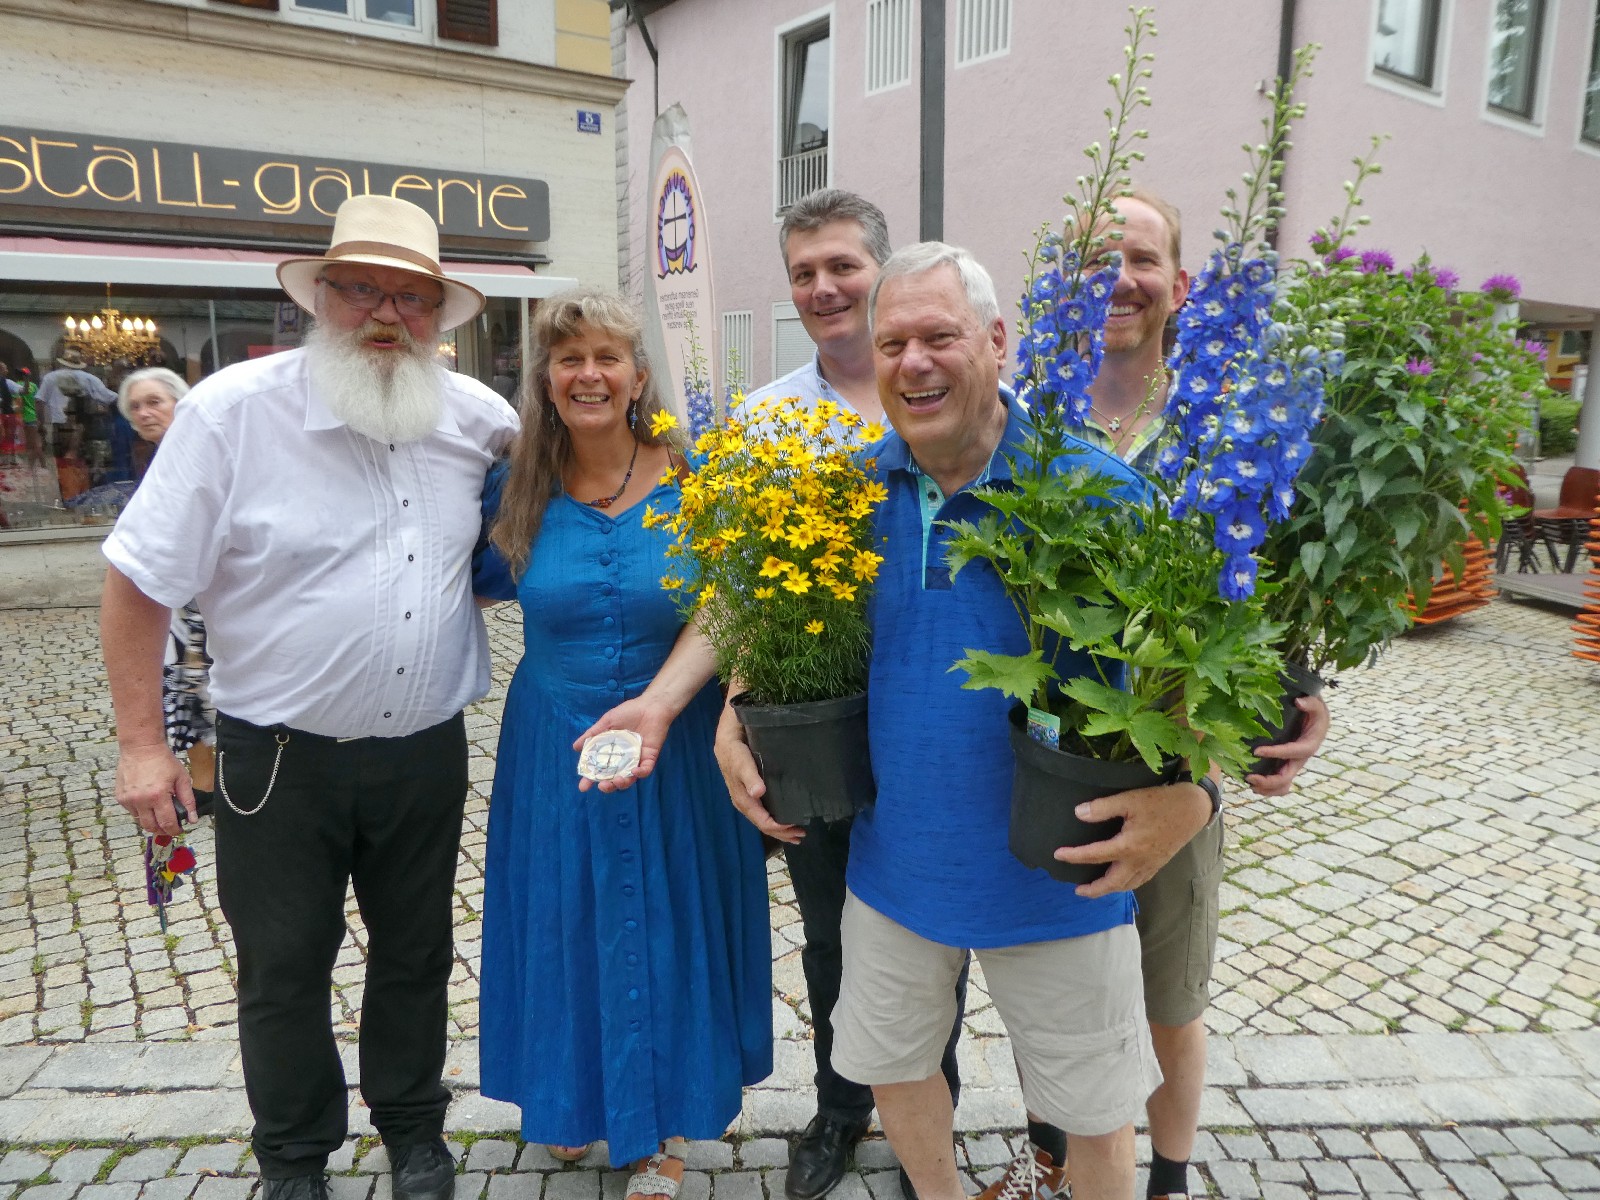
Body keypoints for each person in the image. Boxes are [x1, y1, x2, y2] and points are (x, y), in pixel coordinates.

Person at [720, 242, 1194, 1200]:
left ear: (998, 340)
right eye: (892, 344)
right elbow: (773, 621)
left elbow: (1196, 685)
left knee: (1094, 1115)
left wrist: (1196, 800)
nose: (913, 363)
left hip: (1060, 879)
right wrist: (735, 711)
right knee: (895, 1070)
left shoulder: (1101, 494)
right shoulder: (848, 493)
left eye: (939, 336)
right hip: (893, 870)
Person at [100, 194, 518, 1200]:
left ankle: (414, 1130)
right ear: (317, 296)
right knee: (284, 965)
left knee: (417, 953)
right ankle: (293, 1156)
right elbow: (138, 581)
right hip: (277, 758)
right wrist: (143, 746)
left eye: (411, 297)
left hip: (423, 749)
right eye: (362, 289)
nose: (386, 314)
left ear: (439, 315)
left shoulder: (481, 421)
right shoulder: (230, 414)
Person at [473, 288, 772, 1200]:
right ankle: (571, 1096)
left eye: (608, 357)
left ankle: (659, 1131)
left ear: (639, 377)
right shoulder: (513, 488)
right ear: (547, 380)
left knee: (669, 916)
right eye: (570, 359)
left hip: (676, 741)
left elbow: (736, 594)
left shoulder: (697, 474)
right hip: (553, 741)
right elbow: (468, 581)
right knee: (564, 916)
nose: (589, 374)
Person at [1069, 190, 1331, 1200]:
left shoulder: (1224, 415)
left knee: (1170, 996)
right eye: (1097, 258)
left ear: (1182, 285)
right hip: (1054, 751)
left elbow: (1272, 581)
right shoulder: (1031, 413)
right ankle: (1060, 1152)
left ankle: (1170, 1178)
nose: (1119, 279)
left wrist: (1302, 687)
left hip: (1179, 770)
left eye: (1139, 259)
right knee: (1060, 984)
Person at [735, 189, 966, 1200]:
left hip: (939, 721)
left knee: (935, 929)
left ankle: (931, 1125)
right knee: (829, 934)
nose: (823, 288)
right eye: (804, 273)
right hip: (816, 724)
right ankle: (840, 1106)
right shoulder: (767, 419)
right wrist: (732, 715)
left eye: (842, 267)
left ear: (882, 270)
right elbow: (742, 591)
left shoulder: (947, 394)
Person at [117, 366, 218, 811]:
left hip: (205, 598)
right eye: (135, 407)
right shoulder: (157, 462)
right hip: (175, 604)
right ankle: (206, 784)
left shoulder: (203, 457)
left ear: (182, 403)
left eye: (154, 402)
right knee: (186, 690)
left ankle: (222, 783)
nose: (144, 413)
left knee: (206, 688)